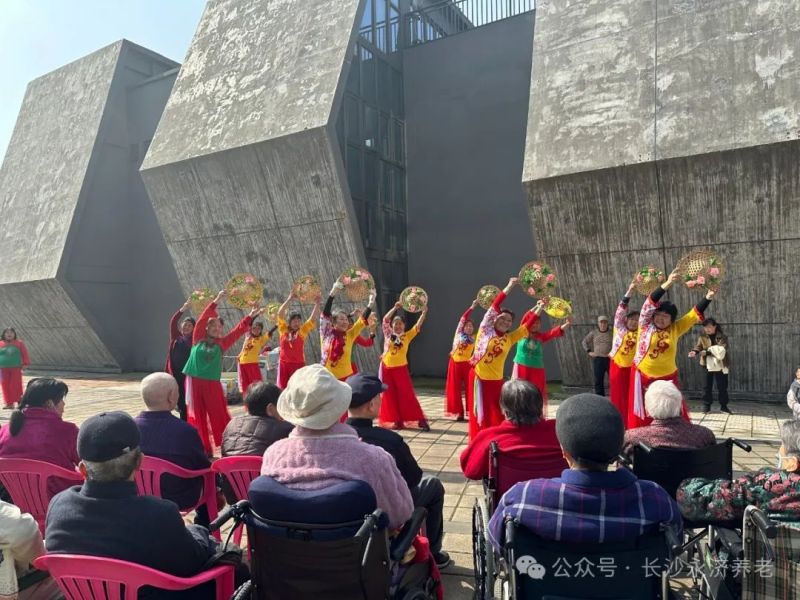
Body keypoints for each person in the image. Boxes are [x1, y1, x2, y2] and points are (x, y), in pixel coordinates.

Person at [45, 412, 222, 600]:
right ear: (139, 461)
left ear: (82, 469)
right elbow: (193, 563)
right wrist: (199, 532)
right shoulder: (160, 513)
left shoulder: (59, 506)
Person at [488, 394, 682, 550]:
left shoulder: (522, 497)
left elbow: (497, 544)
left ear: (564, 451)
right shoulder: (655, 499)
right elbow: (674, 545)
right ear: (617, 453)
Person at [261, 364, 413, 528]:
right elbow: (400, 514)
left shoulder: (273, 454)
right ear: (339, 406)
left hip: (286, 551)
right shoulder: (373, 459)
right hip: (356, 552)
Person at [345, 373, 450, 569]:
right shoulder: (389, 441)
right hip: (385, 512)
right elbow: (413, 478)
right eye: (379, 397)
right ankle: (434, 551)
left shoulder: (336, 437)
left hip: (346, 513)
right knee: (432, 485)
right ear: (371, 405)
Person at [628, 267, 716, 429]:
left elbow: (692, 315)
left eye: (665, 316)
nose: (661, 319)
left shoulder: (675, 328)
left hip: (668, 378)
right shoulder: (645, 325)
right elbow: (649, 305)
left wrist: (708, 297)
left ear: (672, 319)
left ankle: (676, 437)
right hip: (643, 376)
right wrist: (667, 283)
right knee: (644, 412)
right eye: (658, 315)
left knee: (673, 412)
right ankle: (642, 437)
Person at [677, 420, 800, 524]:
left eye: (782, 445)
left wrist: (686, 485)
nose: (779, 450)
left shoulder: (767, 485)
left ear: (793, 463)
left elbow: (695, 498)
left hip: (765, 552)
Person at [182, 290, 260, 454]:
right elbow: (202, 319)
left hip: (212, 384)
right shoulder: (197, 338)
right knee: (199, 417)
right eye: (214, 325)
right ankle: (203, 448)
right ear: (206, 327)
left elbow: (238, 331)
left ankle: (228, 444)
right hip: (195, 382)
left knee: (219, 415)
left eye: (220, 326)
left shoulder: (222, 343)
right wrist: (216, 301)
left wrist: (250, 316)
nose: (218, 328)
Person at [468, 277, 541, 440]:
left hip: (497, 382)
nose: (506, 322)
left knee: (498, 413)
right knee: (481, 414)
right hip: (480, 380)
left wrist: (540, 308)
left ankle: (497, 440)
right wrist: (509, 286)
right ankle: (480, 440)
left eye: (509, 321)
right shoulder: (485, 330)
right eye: (502, 318)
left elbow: (526, 327)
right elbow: (494, 306)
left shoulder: (509, 338)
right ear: (494, 318)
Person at [134, 373, 212, 525]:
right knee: (209, 480)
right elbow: (203, 466)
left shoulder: (128, 427)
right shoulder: (186, 431)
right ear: (171, 396)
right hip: (179, 498)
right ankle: (203, 527)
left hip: (138, 494)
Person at [460, 379, 566, 481]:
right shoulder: (561, 431)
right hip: (555, 495)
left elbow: (470, 471)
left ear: (503, 409)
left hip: (508, 497)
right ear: (540, 405)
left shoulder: (489, 437)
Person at [0, 378, 79, 495]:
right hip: (60, 499)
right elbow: (89, 463)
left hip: (16, 500)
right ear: (49, 403)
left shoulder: (5, 430)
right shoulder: (68, 431)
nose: (64, 404)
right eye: (61, 399)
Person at [622, 380, 716, 458]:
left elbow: (623, 473)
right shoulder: (704, 436)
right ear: (681, 408)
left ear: (647, 411)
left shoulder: (632, 439)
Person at [378, 301, 430, 431]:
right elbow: (385, 320)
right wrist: (394, 308)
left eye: (400, 324)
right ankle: (397, 421)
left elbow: (417, 326)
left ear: (404, 325)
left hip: (401, 369)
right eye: (395, 324)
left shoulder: (407, 336)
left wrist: (423, 312)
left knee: (407, 395)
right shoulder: (389, 334)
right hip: (387, 368)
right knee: (390, 395)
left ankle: (420, 419)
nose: (397, 326)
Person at [511, 310, 571, 414]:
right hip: (521, 368)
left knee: (536, 393)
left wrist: (566, 324)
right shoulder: (522, 332)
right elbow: (527, 316)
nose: (535, 325)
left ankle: (535, 414)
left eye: (538, 323)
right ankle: (519, 413)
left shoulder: (540, 337)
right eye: (533, 322)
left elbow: (553, 333)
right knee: (520, 392)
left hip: (537, 370)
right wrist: (539, 307)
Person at [319, 282, 375, 381]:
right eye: (341, 319)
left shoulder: (350, 334)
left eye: (346, 319)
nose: (345, 321)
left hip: (347, 379)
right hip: (329, 379)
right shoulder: (326, 333)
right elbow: (325, 315)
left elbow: (361, 321)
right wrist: (333, 293)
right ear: (333, 322)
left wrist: (371, 303)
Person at [222, 381, 293, 457]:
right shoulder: (285, 428)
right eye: (281, 406)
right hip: (262, 468)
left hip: (228, 467)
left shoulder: (232, 423)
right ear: (270, 409)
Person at [275, 292, 320, 389]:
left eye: (299, 320)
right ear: (289, 322)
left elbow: (312, 319)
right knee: (283, 389)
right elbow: (280, 314)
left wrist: (317, 303)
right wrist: (289, 298)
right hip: (284, 364)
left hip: (298, 365)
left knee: (298, 388)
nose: (297, 323)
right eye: (294, 320)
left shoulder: (302, 331)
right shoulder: (283, 330)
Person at [609, 280, 639, 421]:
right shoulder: (619, 328)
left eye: (637, 320)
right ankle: (617, 419)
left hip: (633, 369)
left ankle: (631, 420)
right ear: (626, 320)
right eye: (632, 319)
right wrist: (630, 291)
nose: (634, 322)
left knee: (632, 395)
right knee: (617, 394)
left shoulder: (642, 334)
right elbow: (620, 311)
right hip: (617, 366)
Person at [689, 318, 731, 413]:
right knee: (706, 386)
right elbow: (698, 347)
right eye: (705, 327)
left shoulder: (722, 337)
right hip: (706, 364)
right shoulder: (702, 337)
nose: (707, 329)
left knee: (722, 386)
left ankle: (724, 406)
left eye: (709, 327)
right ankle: (706, 406)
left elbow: (722, 350)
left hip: (720, 364)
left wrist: (707, 352)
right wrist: (694, 352)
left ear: (715, 326)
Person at [444, 301, 477, 421]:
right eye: (467, 325)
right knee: (455, 389)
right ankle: (459, 412)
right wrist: (472, 307)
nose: (468, 327)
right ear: (463, 327)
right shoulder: (458, 334)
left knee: (470, 389)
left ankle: (471, 411)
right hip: (455, 363)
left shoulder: (475, 338)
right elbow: (462, 319)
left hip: (468, 365)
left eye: (471, 326)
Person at [166, 301, 195, 420]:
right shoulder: (176, 336)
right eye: (185, 324)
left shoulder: (195, 340)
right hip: (174, 374)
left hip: (187, 376)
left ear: (194, 328)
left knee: (185, 401)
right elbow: (173, 322)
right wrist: (183, 309)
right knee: (172, 398)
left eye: (189, 325)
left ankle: (185, 421)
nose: (186, 327)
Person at [237, 320, 271, 395]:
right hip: (242, 363)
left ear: (261, 330)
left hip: (253, 363)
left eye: (259, 328)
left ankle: (258, 402)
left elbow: (270, 332)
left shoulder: (261, 339)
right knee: (245, 386)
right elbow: (249, 322)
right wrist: (257, 313)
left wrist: (277, 324)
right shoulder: (248, 335)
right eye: (254, 328)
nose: (256, 330)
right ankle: (247, 405)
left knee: (257, 385)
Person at [582, 315, 612, 396]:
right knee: (598, 380)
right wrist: (589, 351)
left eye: (605, 322)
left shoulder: (612, 333)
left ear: (607, 323)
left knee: (613, 379)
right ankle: (600, 398)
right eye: (601, 322)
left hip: (610, 359)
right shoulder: (593, 333)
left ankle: (615, 396)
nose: (603, 324)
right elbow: (584, 342)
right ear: (598, 323)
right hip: (598, 359)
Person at [0, 328, 29, 409]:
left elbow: (24, 353)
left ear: (14, 334)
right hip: (2, 369)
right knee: (5, 386)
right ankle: (9, 404)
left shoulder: (19, 343)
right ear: (3, 334)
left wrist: (25, 363)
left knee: (15, 385)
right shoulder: (0, 343)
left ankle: (20, 402)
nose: (9, 334)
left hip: (16, 368)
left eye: (11, 332)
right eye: (7, 333)